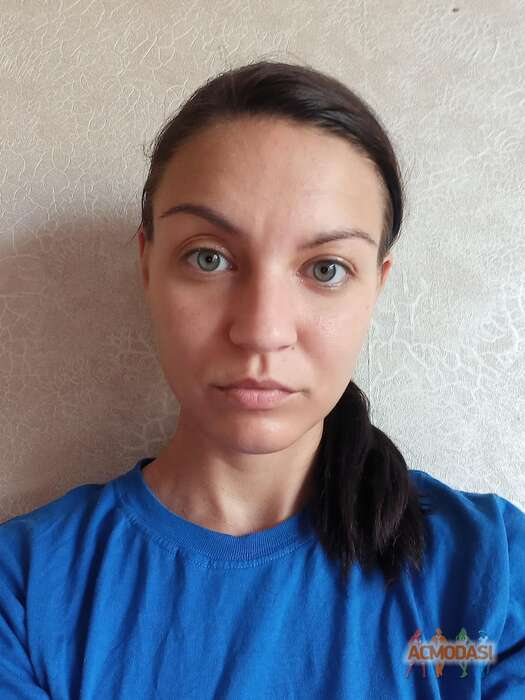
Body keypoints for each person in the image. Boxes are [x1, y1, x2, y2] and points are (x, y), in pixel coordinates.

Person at [0, 59, 524, 699]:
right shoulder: (22, 591)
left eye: (326, 269)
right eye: (209, 258)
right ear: (147, 265)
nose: (261, 330)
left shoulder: (492, 575)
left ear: (376, 288)